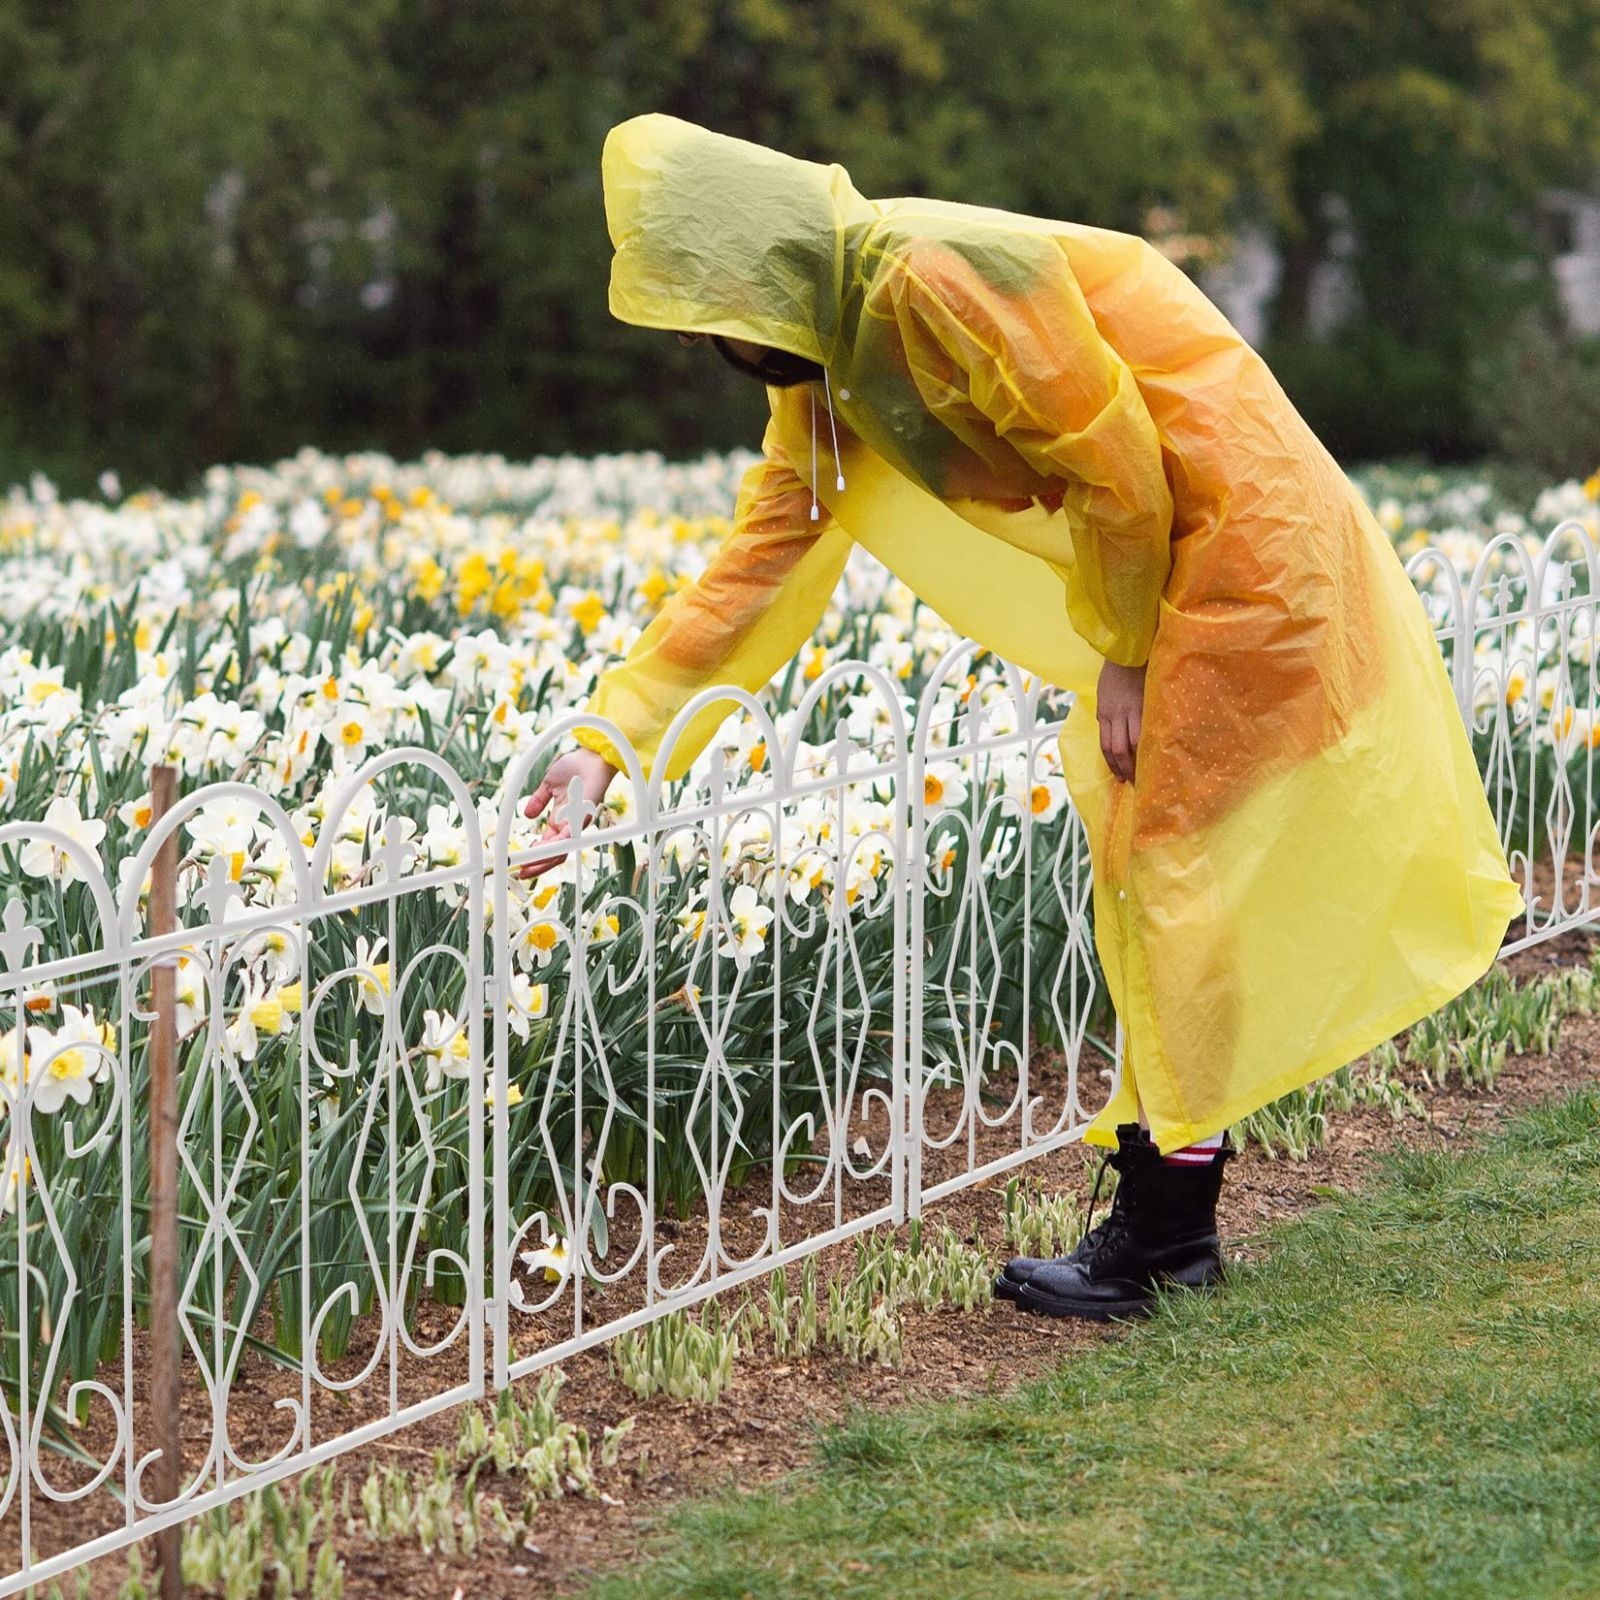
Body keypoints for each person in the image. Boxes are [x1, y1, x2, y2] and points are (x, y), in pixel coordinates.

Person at [523, 112, 1526, 1321]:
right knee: (1157, 865)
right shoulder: (830, 373)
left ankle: (1165, 1239)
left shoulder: (934, 278)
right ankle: (1168, 1221)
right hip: (1174, 558)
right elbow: (756, 567)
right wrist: (605, 744)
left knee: (1168, 864)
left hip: (1235, 545)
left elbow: (1116, 464)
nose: (701, 338)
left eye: (702, 309)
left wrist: (1127, 650)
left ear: (757, 270)